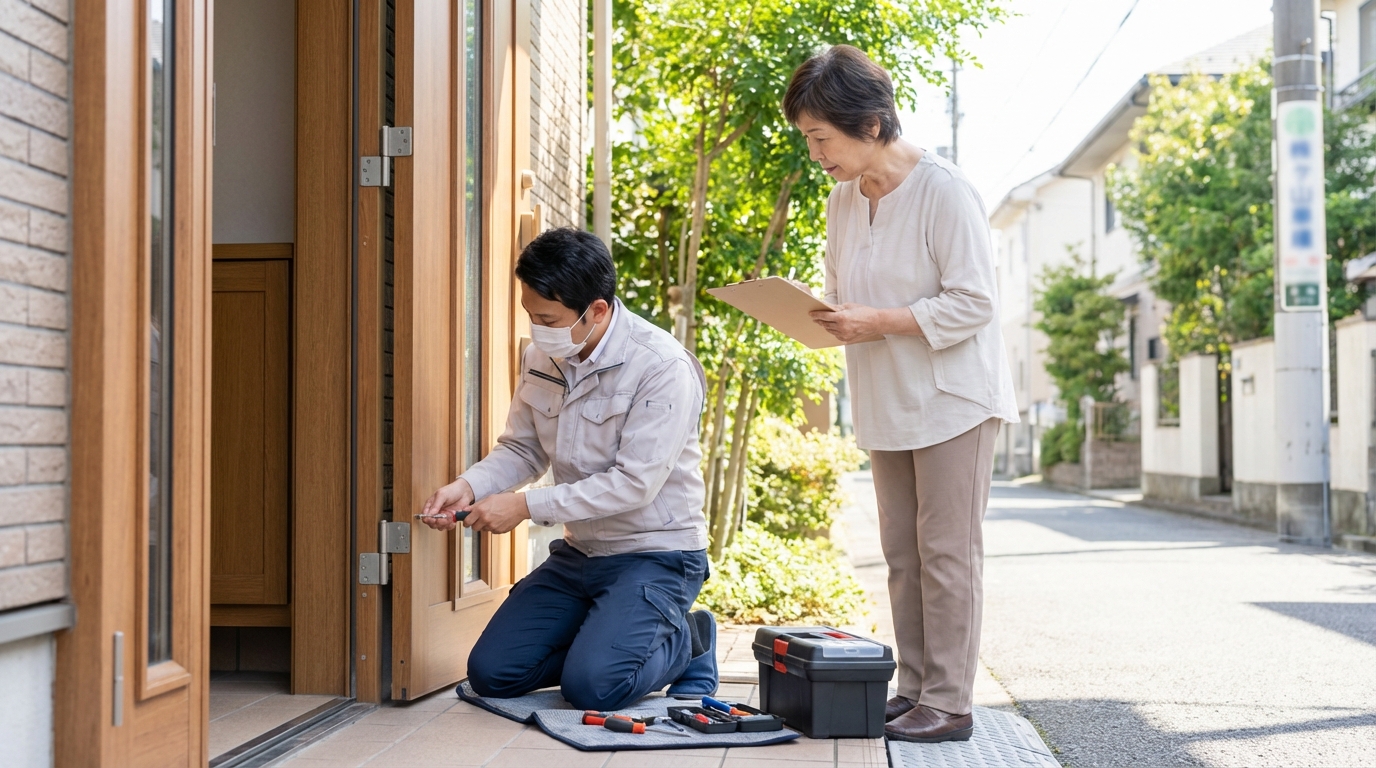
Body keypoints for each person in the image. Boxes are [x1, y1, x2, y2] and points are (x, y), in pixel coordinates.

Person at [783, 46, 1019, 743]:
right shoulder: (840, 202)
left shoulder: (943, 189)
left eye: (821, 138)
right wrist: (818, 315)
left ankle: (950, 702)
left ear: (872, 124)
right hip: (887, 395)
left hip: (953, 398)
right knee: (902, 553)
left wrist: (876, 322)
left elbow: (974, 302)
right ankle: (915, 687)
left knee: (948, 552)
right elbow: (842, 295)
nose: (815, 153)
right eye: (808, 139)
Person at [418, 227, 718, 710]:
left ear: (597, 310)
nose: (537, 329)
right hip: (581, 555)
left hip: (656, 554)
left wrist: (524, 506)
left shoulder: (661, 366)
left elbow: (634, 485)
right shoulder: (544, 356)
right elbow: (523, 450)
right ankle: (611, 636)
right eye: (531, 315)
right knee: (492, 673)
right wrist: (468, 486)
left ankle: (688, 643)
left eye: (548, 318)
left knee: (594, 688)